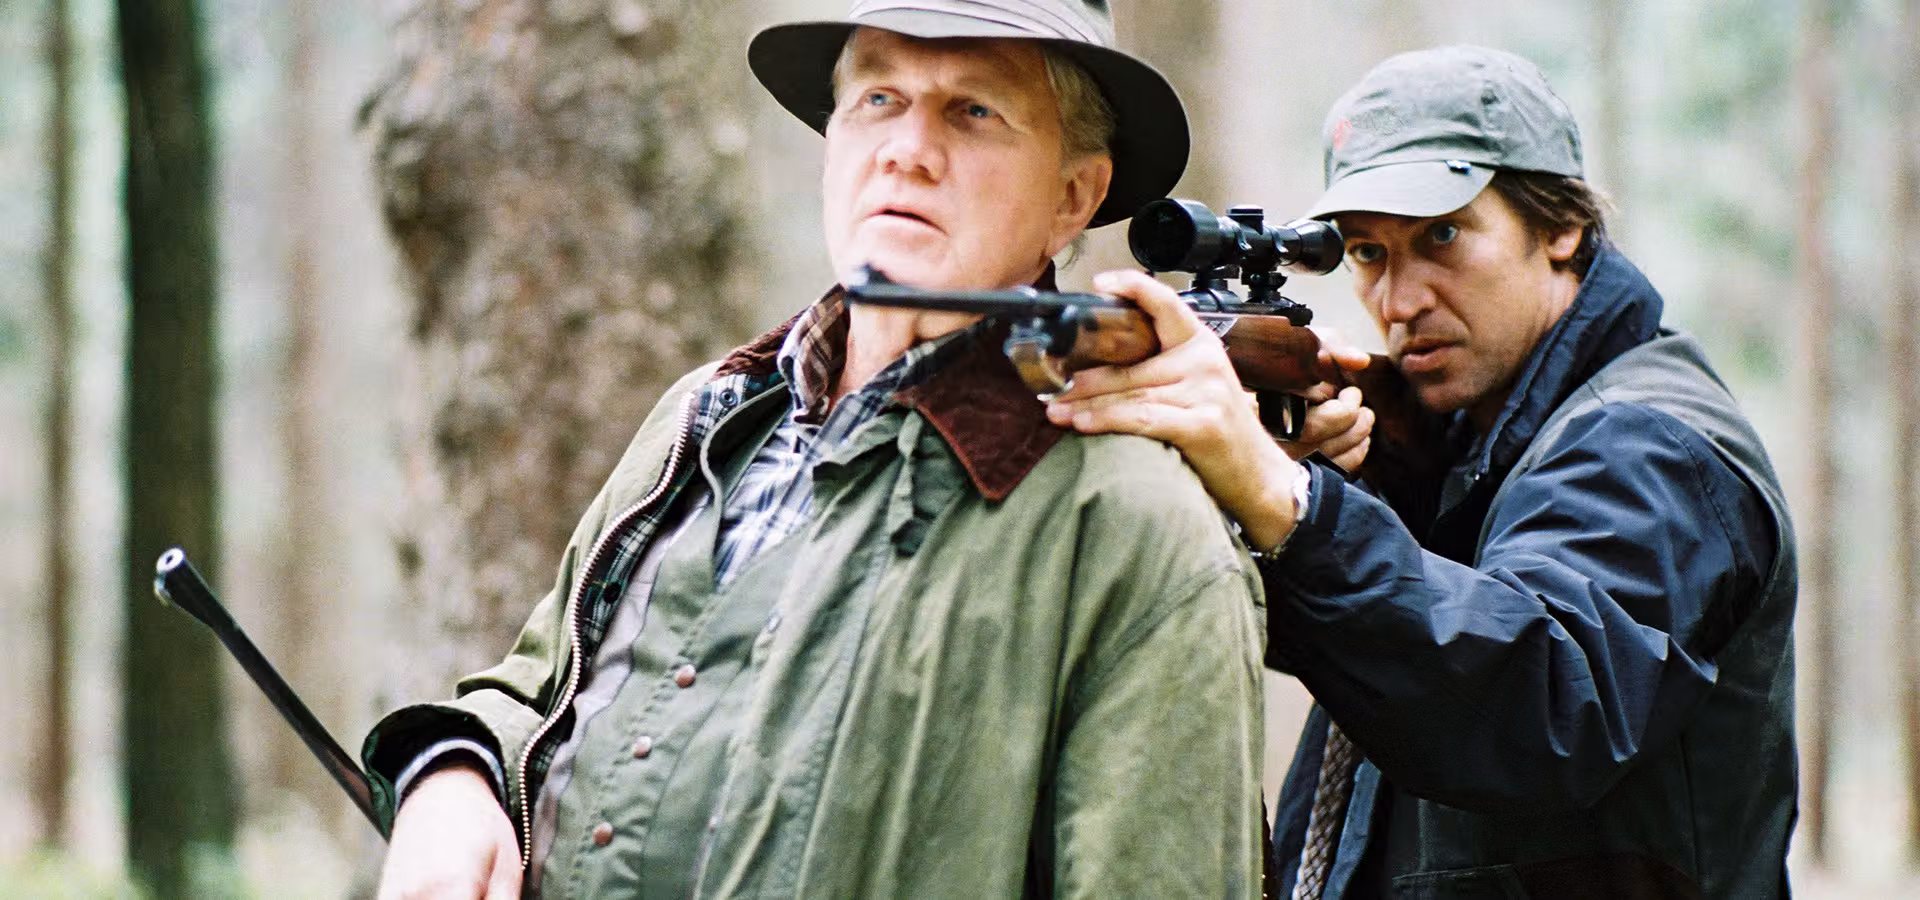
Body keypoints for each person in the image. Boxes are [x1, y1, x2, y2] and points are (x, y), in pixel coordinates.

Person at [362, 2, 1270, 898]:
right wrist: (455, 774)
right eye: (878, 99)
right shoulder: (709, 416)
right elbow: (536, 691)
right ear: (833, 141)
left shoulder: (1133, 524)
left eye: (974, 110)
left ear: (1073, 197)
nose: (907, 149)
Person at [1047, 46, 1797, 898]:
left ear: (1562, 227)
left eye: (1442, 236)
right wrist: (1334, 483)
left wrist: (1291, 502)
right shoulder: (1472, 441)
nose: (1399, 302)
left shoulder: (1646, 443)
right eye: (1368, 253)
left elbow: (1539, 709)